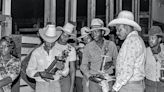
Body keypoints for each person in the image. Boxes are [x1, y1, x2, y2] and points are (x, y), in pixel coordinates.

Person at [108, 10, 146, 92]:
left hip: (129, 86)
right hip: (133, 85)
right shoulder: (136, 39)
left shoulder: (131, 41)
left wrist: (115, 88)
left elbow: (127, 70)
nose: (117, 33)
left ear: (127, 27)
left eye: (119, 30)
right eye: (116, 30)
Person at [26, 24, 68, 92]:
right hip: (41, 85)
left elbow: (66, 72)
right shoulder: (36, 52)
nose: (50, 44)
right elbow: (29, 71)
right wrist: (40, 74)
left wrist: (62, 68)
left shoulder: (59, 52)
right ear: (43, 39)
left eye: (53, 42)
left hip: (55, 85)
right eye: (48, 41)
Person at [80, 18, 118, 92]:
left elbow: (118, 61)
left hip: (108, 80)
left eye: (96, 31)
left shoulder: (111, 45)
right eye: (92, 32)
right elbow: (83, 65)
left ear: (103, 32)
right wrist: (90, 76)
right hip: (94, 81)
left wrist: (112, 63)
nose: (94, 34)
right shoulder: (88, 47)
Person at [56, 22, 76, 92]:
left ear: (69, 37)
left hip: (65, 78)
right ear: (60, 33)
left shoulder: (71, 49)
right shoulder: (52, 45)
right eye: (63, 34)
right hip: (53, 77)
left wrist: (71, 87)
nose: (65, 37)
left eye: (67, 36)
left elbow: (72, 70)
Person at [145, 26, 164, 92]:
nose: (150, 40)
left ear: (159, 39)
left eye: (153, 38)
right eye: (149, 38)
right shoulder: (145, 52)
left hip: (162, 86)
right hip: (149, 86)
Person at [75, 27, 92, 92]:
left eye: (88, 38)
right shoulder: (81, 48)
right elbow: (82, 65)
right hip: (81, 74)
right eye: (84, 39)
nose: (86, 40)